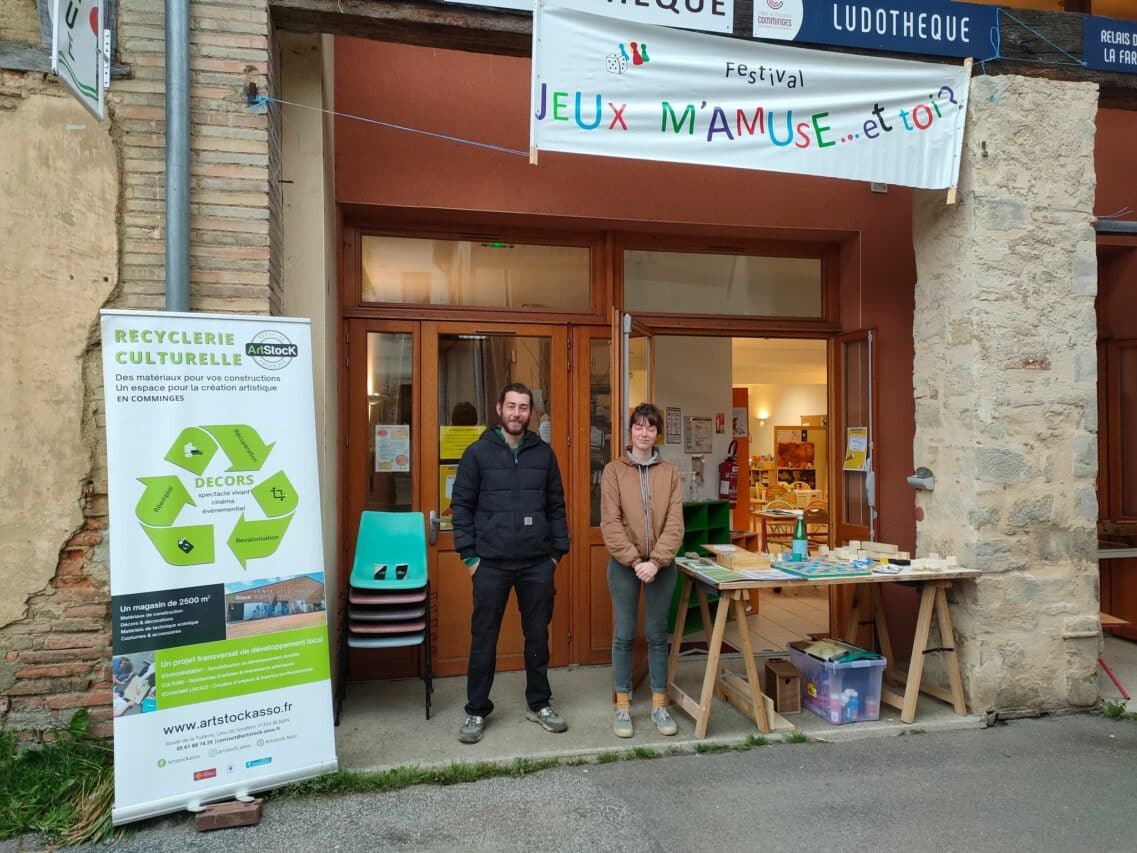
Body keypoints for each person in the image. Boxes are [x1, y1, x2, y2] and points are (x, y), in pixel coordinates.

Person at [450, 381, 571, 744]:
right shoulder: (477, 454)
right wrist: (469, 556)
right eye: (512, 406)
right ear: (500, 409)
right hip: (490, 564)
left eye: (523, 407)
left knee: (537, 636)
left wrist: (556, 554)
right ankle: (476, 709)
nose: (517, 413)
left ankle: (540, 703)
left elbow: (556, 506)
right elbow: (461, 507)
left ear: (530, 413)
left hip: (537, 564)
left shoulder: (544, 455)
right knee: (483, 638)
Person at [600, 402, 685, 738]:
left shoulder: (670, 473)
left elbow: (675, 524)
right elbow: (610, 522)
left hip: (661, 566)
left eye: (650, 427)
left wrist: (656, 561)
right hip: (625, 565)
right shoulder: (613, 471)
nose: (644, 433)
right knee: (624, 635)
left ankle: (659, 704)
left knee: (657, 635)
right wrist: (636, 561)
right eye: (639, 426)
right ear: (630, 431)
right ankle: (623, 706)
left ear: (657, 433)